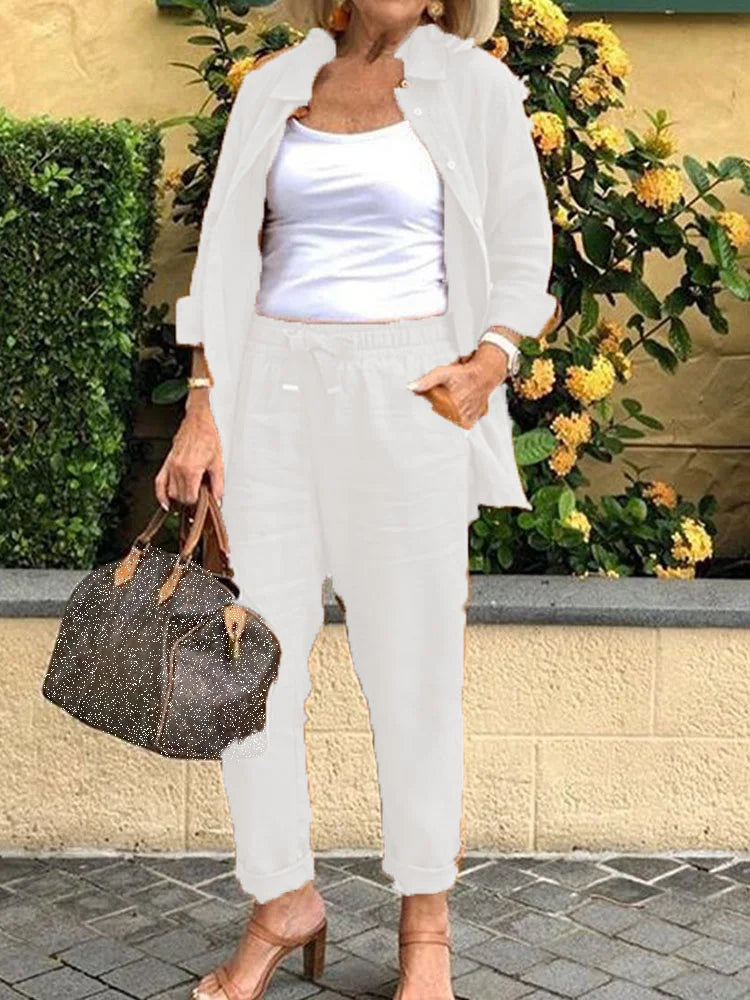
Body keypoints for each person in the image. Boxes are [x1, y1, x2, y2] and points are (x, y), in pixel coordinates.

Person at [156, 1, 557, 997]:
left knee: (414, 670)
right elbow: (225, 258)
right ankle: (282, 898)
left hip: (409, 388)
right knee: (252, 667)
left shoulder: (474, 87)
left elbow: (524, 243)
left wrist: (490, 362)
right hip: (271, 388)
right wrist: (203, 407)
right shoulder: (272, 88)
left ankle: (426, 923)